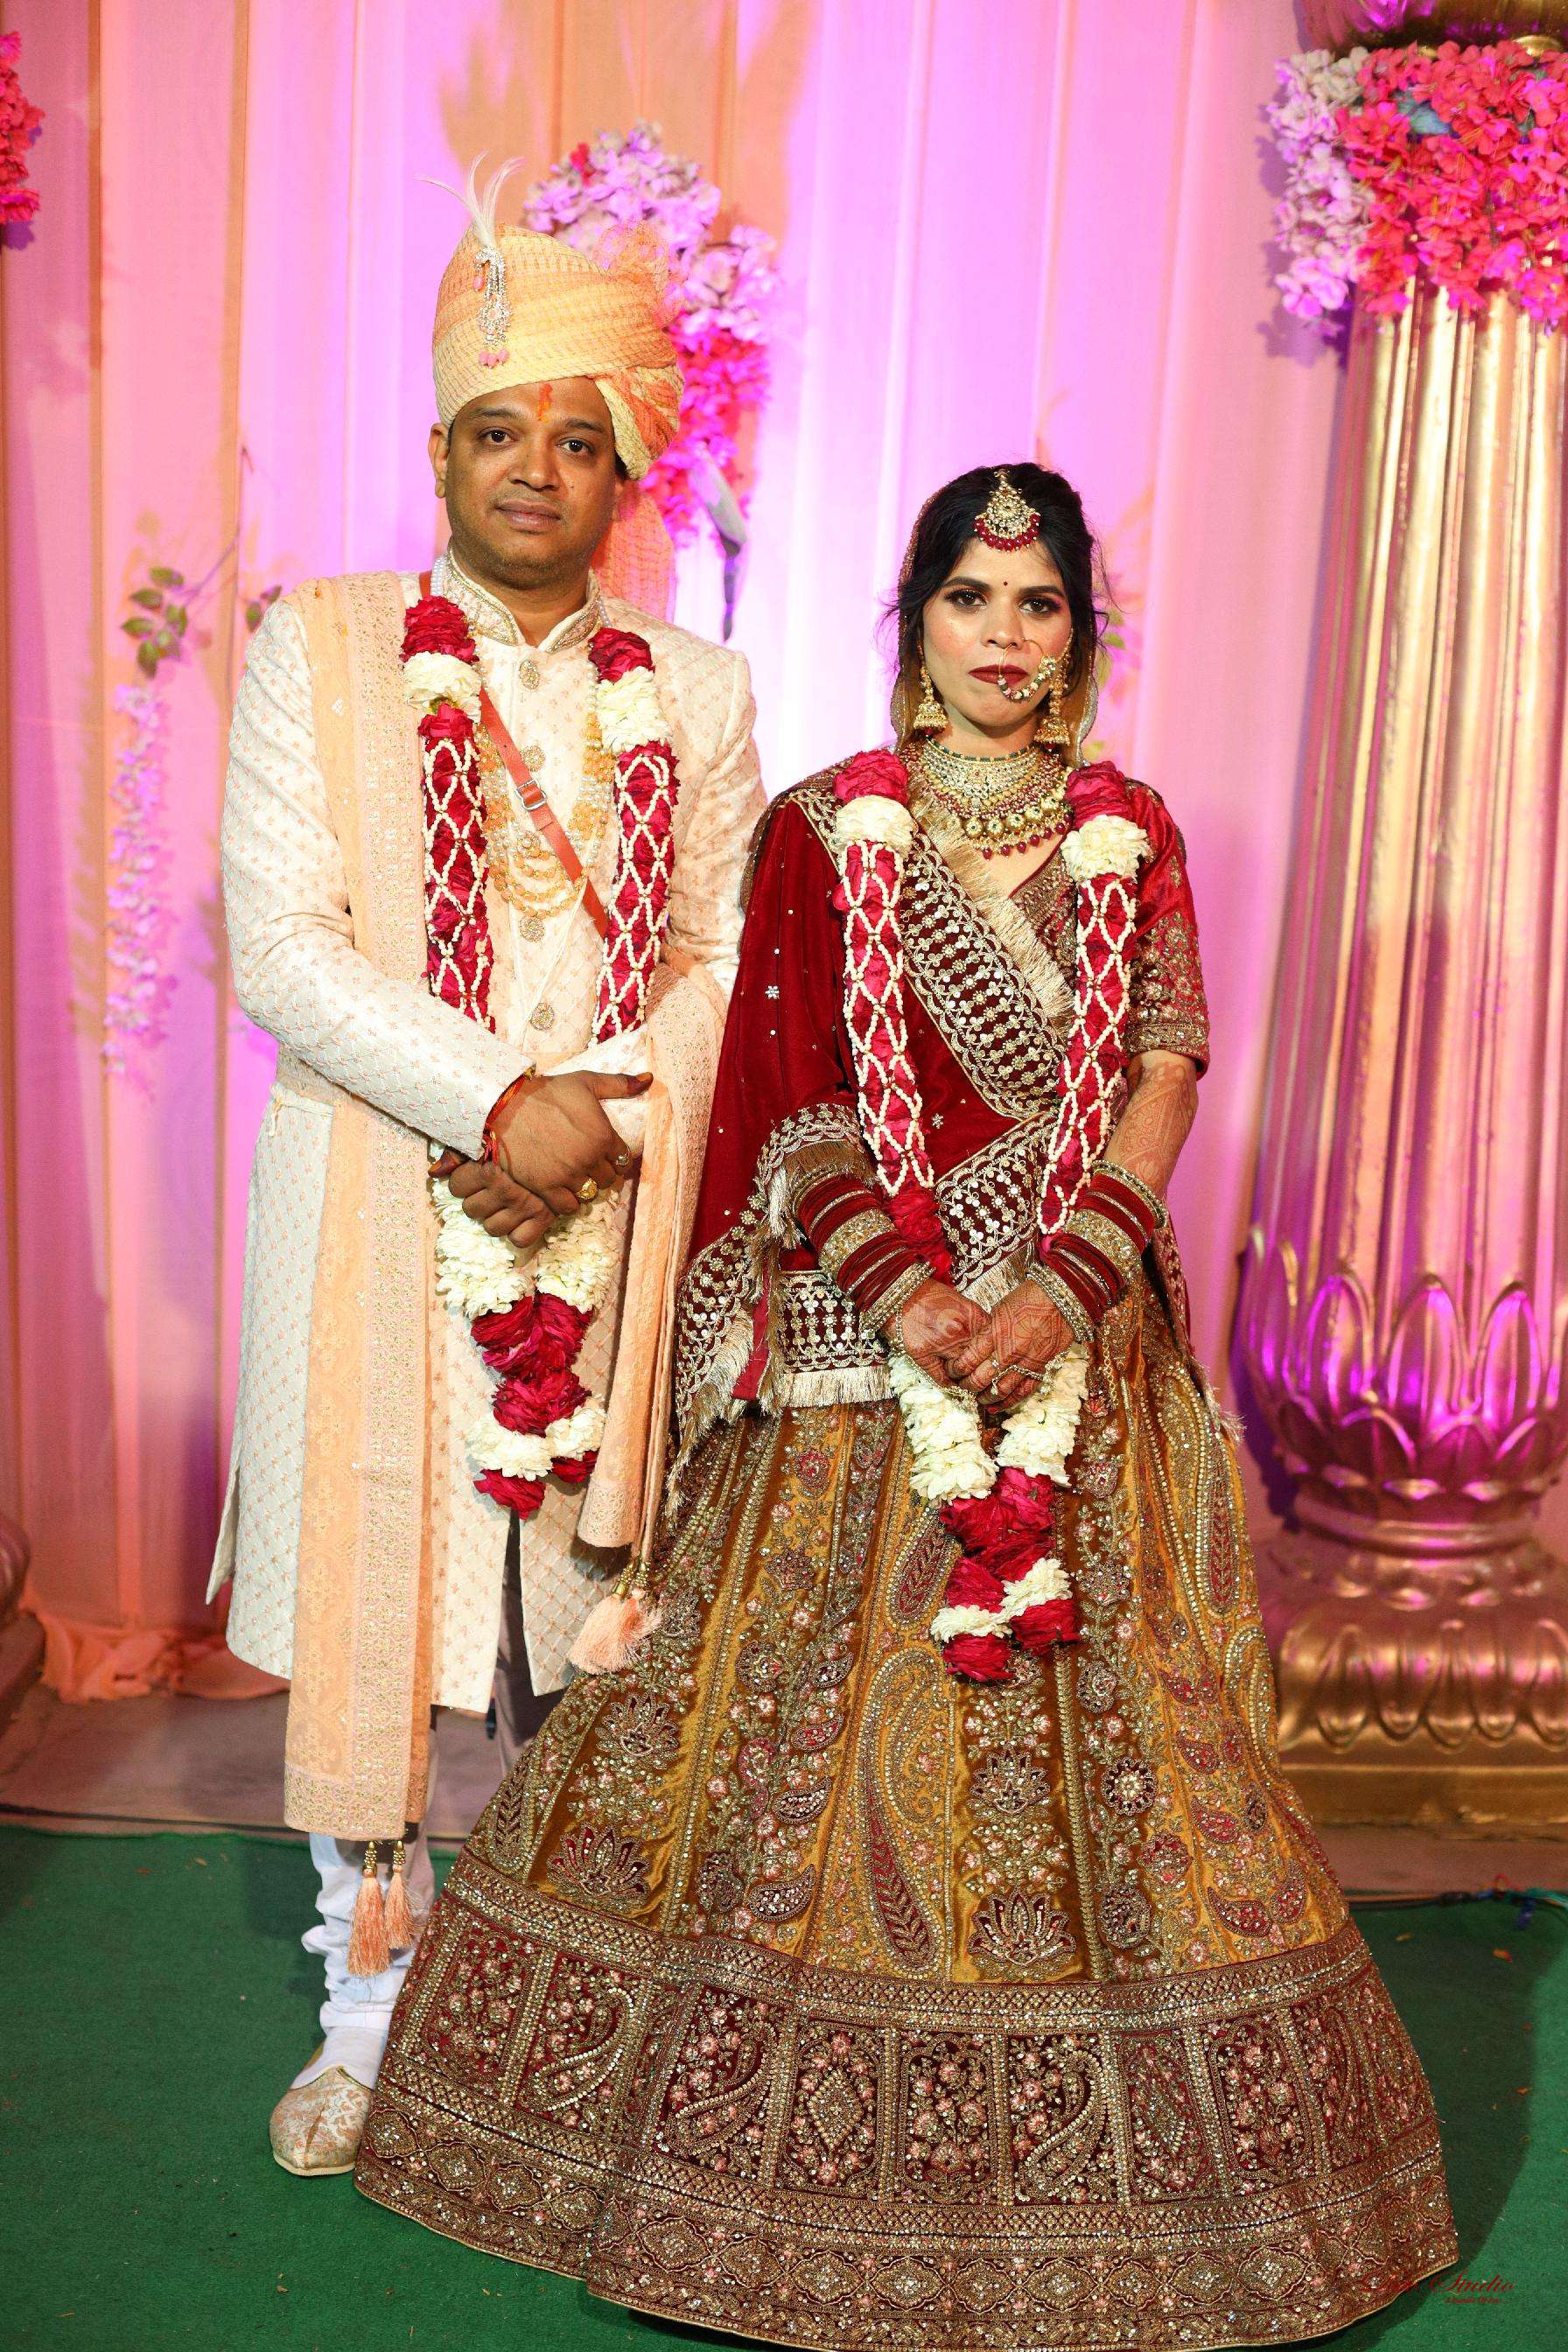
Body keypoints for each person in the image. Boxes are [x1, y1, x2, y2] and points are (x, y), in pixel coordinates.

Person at [355, 464, 1458, 2348]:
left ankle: (1142, 2190)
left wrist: (1062, 1284)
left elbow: (1167, 1068)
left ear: (1079, 633)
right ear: (915, 617)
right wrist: (917, 1294)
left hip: (1075, 1337)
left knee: (1129, 1754)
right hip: (868, 1351)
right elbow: (791, 1096)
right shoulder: (822, 827)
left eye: (1038, 605)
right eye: (968, 598)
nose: (1002, 638)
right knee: (790, 1747)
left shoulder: (1130, 830)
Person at [211, 164, 765, 2176]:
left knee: (574, 1630)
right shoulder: (320, 646)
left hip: (611, 1209)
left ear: (624, 469)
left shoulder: (696, 690)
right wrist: (492, 1099)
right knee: (383, 1610)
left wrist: (590, 1117)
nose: (535, 466)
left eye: (575, 436)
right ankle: (365, 2024)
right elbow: (282, 946)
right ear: (438, 448)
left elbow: (720, 953)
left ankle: (551, 2020)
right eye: (496, 428)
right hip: (376, 1199)